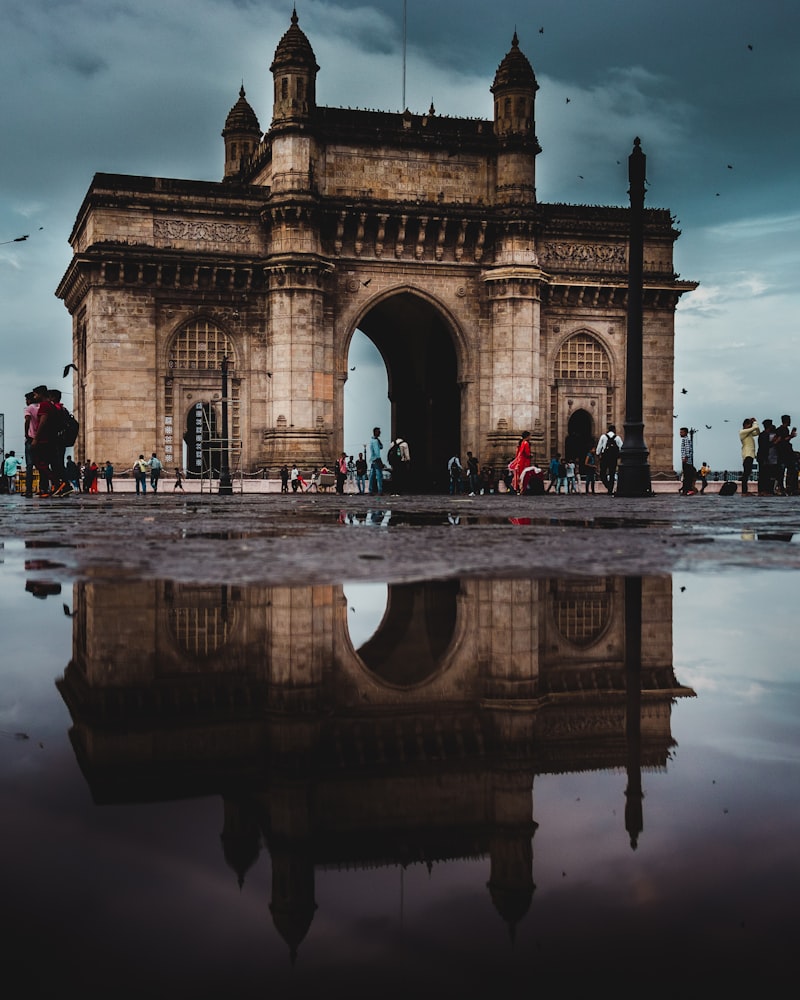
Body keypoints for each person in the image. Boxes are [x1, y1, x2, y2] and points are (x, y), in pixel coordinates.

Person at [773, 415, 797, 495]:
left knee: (786, 471)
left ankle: (787, 487)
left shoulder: (784, 429)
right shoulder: (781, 430)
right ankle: (782, 488)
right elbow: (782, 440)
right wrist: (791, 436)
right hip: (783, 454)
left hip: (785, 453)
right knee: (783, 471)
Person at [596, 425, 622, 494]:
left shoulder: (603, 437)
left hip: (605, 457)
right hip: (613, 458)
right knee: (612, 473)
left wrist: (598, 454)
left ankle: (608, 485)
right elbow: (621, 447)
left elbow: (599, 447)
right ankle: (610, 489)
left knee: (602, 473)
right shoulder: (617, 438)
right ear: (614, 430)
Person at [739, 418, 760, 494]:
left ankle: (745, 491)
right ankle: (744, 491)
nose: (750, 426)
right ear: (745, 425)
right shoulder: (742, 432)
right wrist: (754, 422)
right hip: (747, 454)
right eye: (749, 425)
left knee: (747, 473)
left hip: (750, 455)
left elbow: (758, 432)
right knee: (746, 473)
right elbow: (755, 428)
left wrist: (754, 424)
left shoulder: (749, 433)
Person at [23, 391, 39, 498]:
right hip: (41, 439)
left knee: (29, 465)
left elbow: (27, 420)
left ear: (29, 400)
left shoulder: (28, 409)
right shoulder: (40, 408)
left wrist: (26, 434)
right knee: (41, 465)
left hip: (31, 439)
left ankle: (29, 490)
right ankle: (44, 487)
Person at [756, 420, 776, 495]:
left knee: (764, 474)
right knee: (763, 475)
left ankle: (763, 490)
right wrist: (774, 442)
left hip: (763, 456)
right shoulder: (764, 435)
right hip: (763, 457)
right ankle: (762, 490)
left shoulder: (763, 434)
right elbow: (765, 446)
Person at [678, 427, 696, 495]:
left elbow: (687, 449)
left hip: (687, 461)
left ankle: (688, 490)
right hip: (686, 460)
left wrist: (685, 457)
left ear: (685, 433)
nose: (680, 433)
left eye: (681, 432)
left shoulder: (686, 439)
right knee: (686, 476)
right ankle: (686, 490)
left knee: (687, 476)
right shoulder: (685, 439)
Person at [369, 427, 384, 495]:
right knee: (379, 476)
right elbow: (377, 452)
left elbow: (381, 447)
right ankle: (380, 491)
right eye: (379, 431)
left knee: (372, 476)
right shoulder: (375, 441)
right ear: (375, 432)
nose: (380, 432)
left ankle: (370, 490)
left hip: (372, 460)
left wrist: (378, 440)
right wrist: (380, 462)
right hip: (376, 460)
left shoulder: (372, 440)